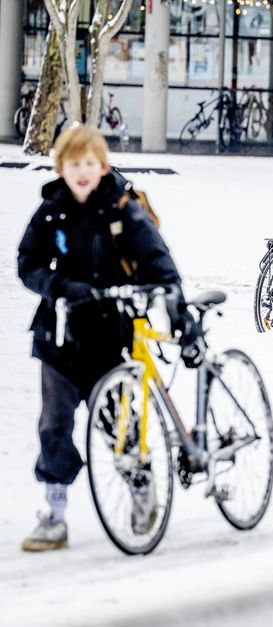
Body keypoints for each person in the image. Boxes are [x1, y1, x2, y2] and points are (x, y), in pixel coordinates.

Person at [17, 126, 184, 551]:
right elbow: (28, 262)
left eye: (89, 164)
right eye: (73, 165)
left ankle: (141, 491)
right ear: (61, 168)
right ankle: (54, 513)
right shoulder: (51, 210)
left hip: (112, 337)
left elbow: (156, 258)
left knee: (119, 427)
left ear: (103, 166)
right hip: (61, 337)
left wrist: (171, 297)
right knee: (53, 425)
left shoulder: (122, 207)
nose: (82, 172)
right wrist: (58, 287)